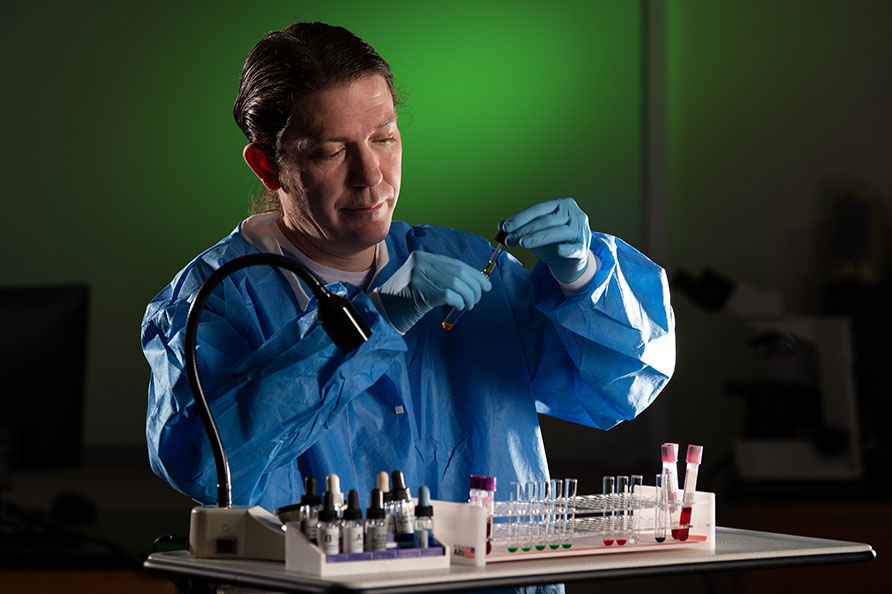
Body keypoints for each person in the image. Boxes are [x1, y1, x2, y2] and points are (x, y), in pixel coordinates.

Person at [142, 22, 675, 520]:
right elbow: (205, 470)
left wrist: (582, 280)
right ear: (268, 166)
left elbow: (618, 387)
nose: (370, 175)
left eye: (384, 138)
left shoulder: (466, 266)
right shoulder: (211, 301)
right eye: (331, 152)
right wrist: (369, 322)